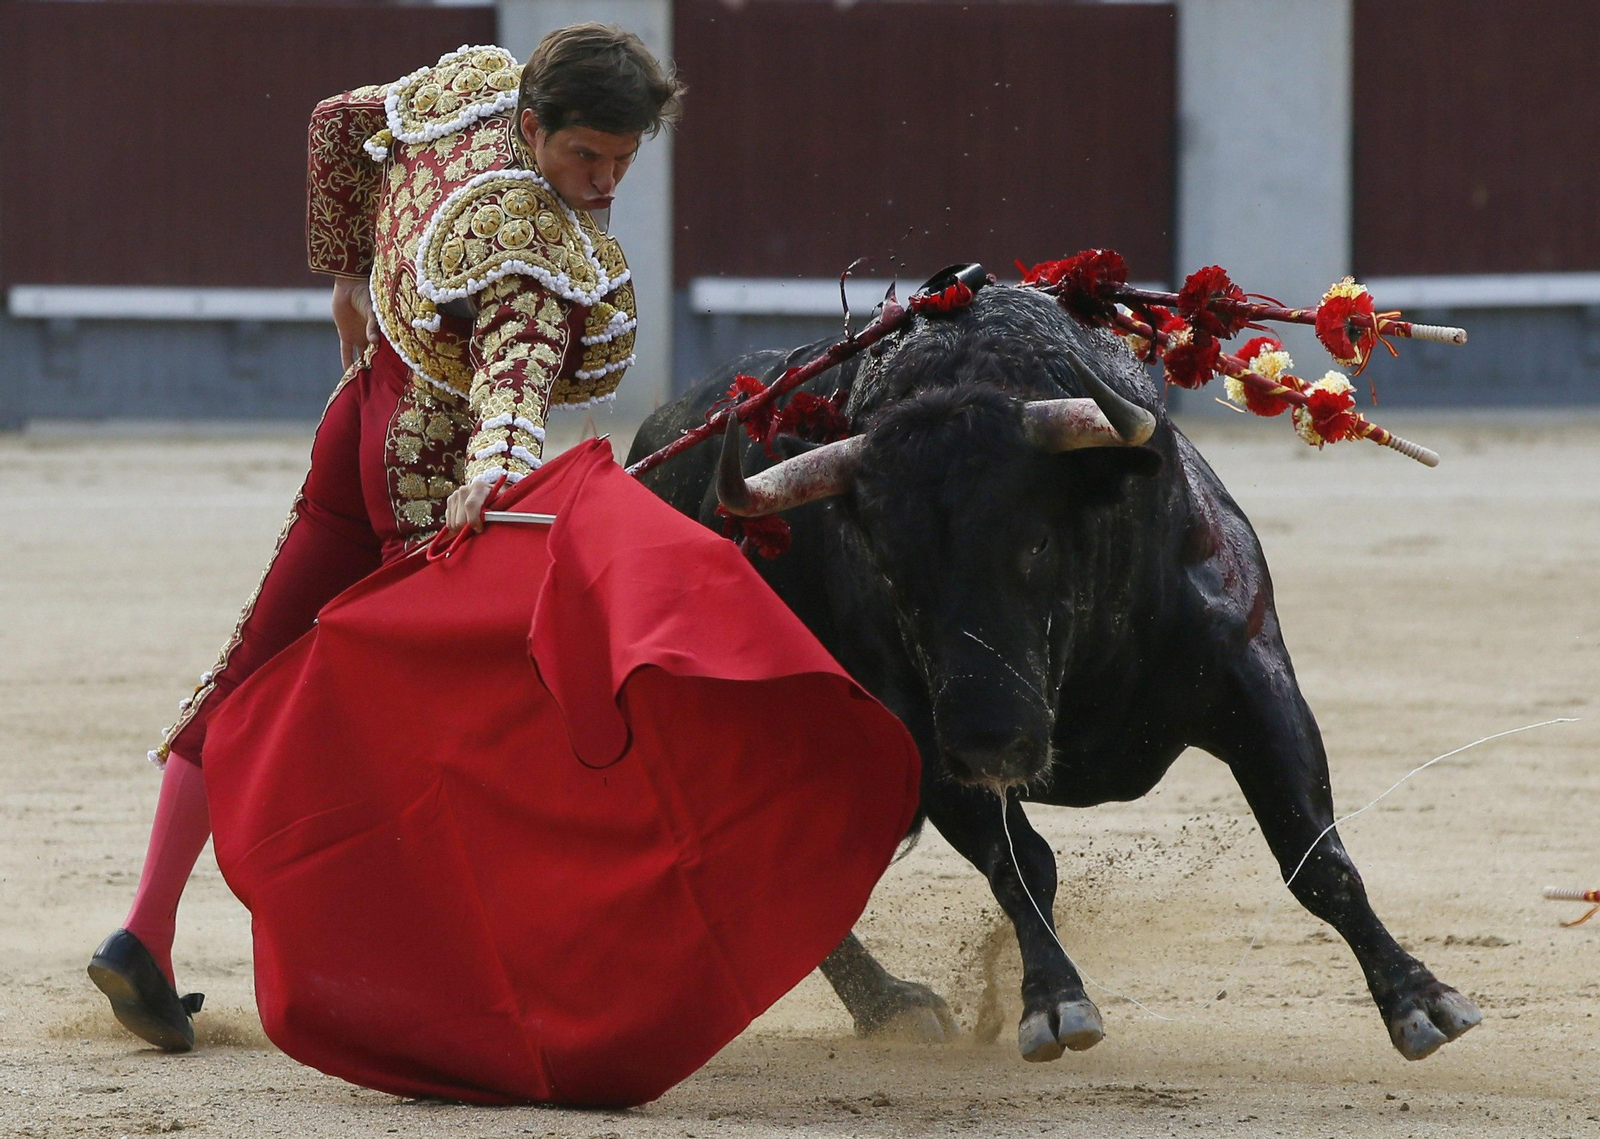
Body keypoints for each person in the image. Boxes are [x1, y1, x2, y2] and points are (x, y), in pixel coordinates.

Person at [88, 24, 685, 1052]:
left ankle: (144, 929)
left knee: (255, 653)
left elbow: (341, 122)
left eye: (623, 160)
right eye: (586, 156)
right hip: (427, 466)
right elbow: (512, 385)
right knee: (458, 730)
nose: (602, 182)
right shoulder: (536, 248)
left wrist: (347, 273)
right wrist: (492, 477)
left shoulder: (472, 87)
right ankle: (425, 973)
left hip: (360, 411)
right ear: (533, 127)